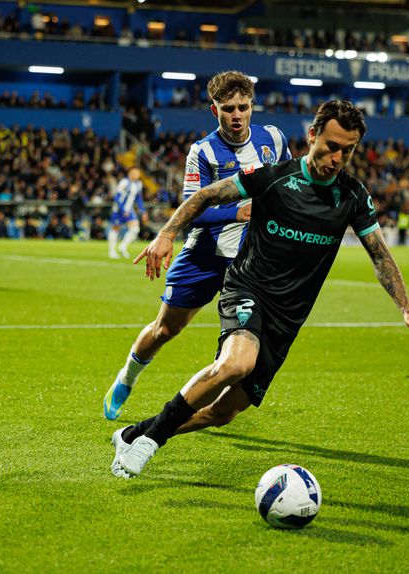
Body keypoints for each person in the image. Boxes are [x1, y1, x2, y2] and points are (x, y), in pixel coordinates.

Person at [110, 99, 409, 478]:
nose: (338, 157)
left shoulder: (352, 196)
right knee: (235, 363)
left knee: (223, 412)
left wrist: (406, 308)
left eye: (349, 150)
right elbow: (204, 196)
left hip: (287, 318)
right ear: (312, 136)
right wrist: (167, 234)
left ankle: (133, 434)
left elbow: (379, 255)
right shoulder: (274, 178)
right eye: (331, 146)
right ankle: (150, 445)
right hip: (247, 288)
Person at [103, 70, 292, 420]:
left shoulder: (275, 141)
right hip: (205, 256)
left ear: (252, 107)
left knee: (247, 349)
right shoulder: (203, 151)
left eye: (243, 107)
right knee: (165, 329)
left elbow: (287, 189)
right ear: (214, 111)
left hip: (251, 265)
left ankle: (213, 412)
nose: (237, 116)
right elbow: (194, 212)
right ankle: (126, 378)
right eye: (228, 109)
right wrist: (239, 211)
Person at [107, 167, 147, 259]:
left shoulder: (139, 184)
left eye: (138, 173)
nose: (136, 175)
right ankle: (111, 251)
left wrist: (143, 211)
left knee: (135, 229)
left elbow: (138, 199)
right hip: (118, 210)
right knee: (115, 229)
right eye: (135, 173)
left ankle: (123, 246)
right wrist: (122, 209)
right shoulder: (124, 182)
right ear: (130, 173)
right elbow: (117, 197)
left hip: (129, 210)